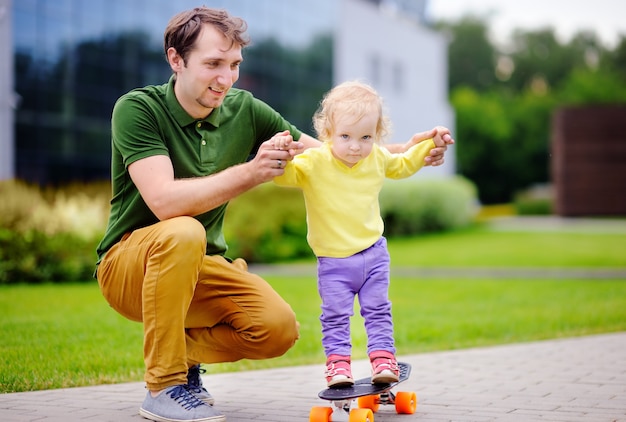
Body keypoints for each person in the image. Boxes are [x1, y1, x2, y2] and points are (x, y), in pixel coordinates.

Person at [94, 6, 453, 422]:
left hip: (200, 267)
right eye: (213, 64)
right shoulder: (138, 109)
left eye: (234, 65)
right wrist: (251, 172)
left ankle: (180, 352)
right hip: (129, 267)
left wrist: (407, 151)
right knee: (184, 231)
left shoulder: (244, 110)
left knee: (277, 328)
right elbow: (165, 203)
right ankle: (165, 385)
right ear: (176, 60)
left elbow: (329, 156)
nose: (225, 79)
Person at [273, 81, 451, 388]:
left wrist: (429, 144)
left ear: (377, 134)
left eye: (366, 137)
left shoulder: (376, 158)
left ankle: (383, 359)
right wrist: (282, 154)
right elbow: (284, 177)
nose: (356, 146)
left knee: (378, 310)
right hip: (334, 263)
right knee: (336, 317)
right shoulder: (315, 162)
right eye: (345, 136)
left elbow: (404, 163)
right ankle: (338, 367)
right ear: (327, 132)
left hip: (374, 255)